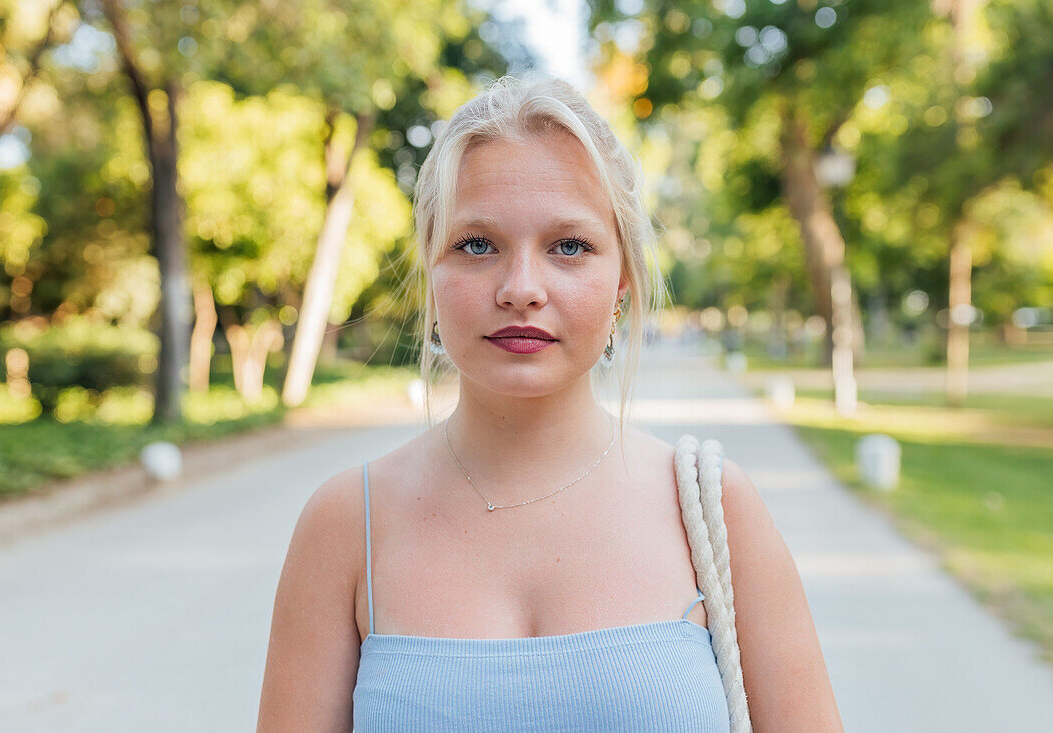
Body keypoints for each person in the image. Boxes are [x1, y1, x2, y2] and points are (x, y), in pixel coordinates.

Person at [256, 74, 843, 732]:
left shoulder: (712, 507)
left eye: (569, 246)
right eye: (477, 245)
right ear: (430, 265)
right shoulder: (345, 524)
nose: (521, 288)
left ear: (622, 278)